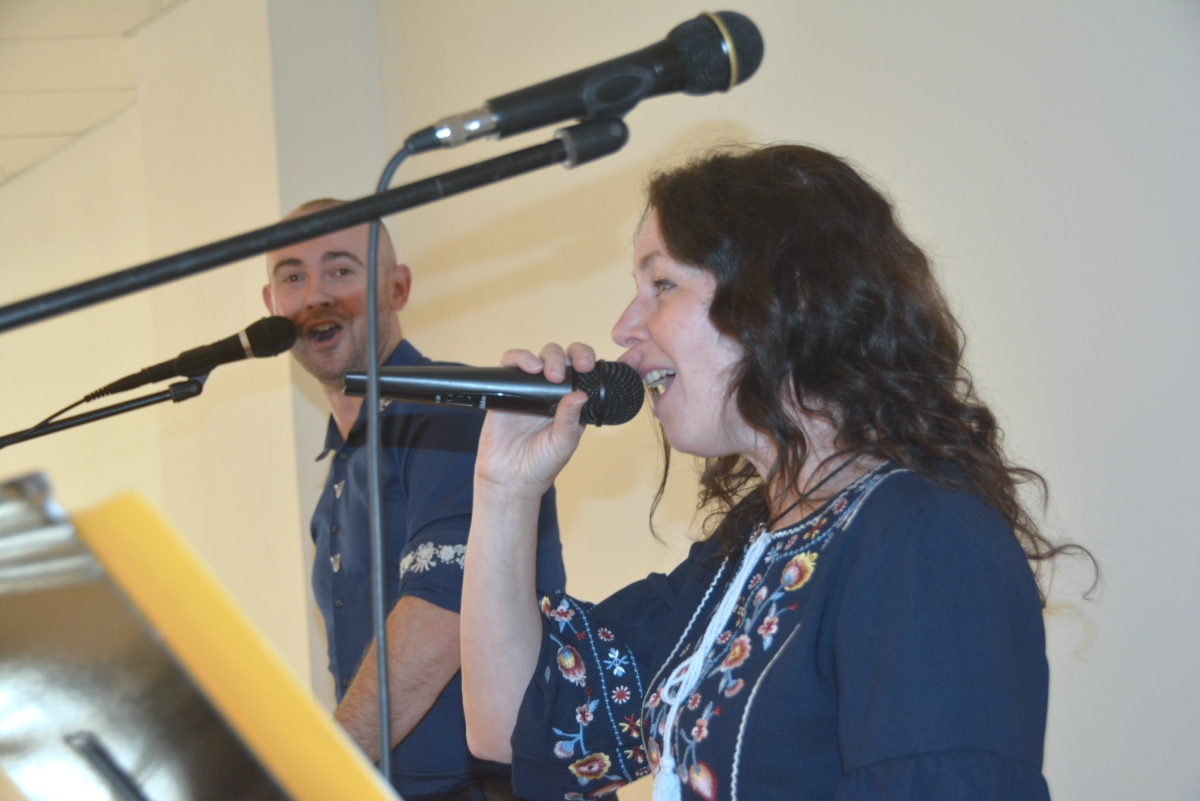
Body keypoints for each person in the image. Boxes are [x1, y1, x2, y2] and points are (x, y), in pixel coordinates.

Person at [459, 146, 1078, 800]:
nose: (622, 328)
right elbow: (515, 727)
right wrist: (505, 489)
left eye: (663, 284)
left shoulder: (924, 540)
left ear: (793, 295)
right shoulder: (745, 556)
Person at [263, 199, 565, 801]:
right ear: (271, 305)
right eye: (293, 277)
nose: (316, 295)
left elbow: (442, 617)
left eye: (340, 270)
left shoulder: (449, 411)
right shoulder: (339, 472)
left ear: (397, 288)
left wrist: (314, 774)